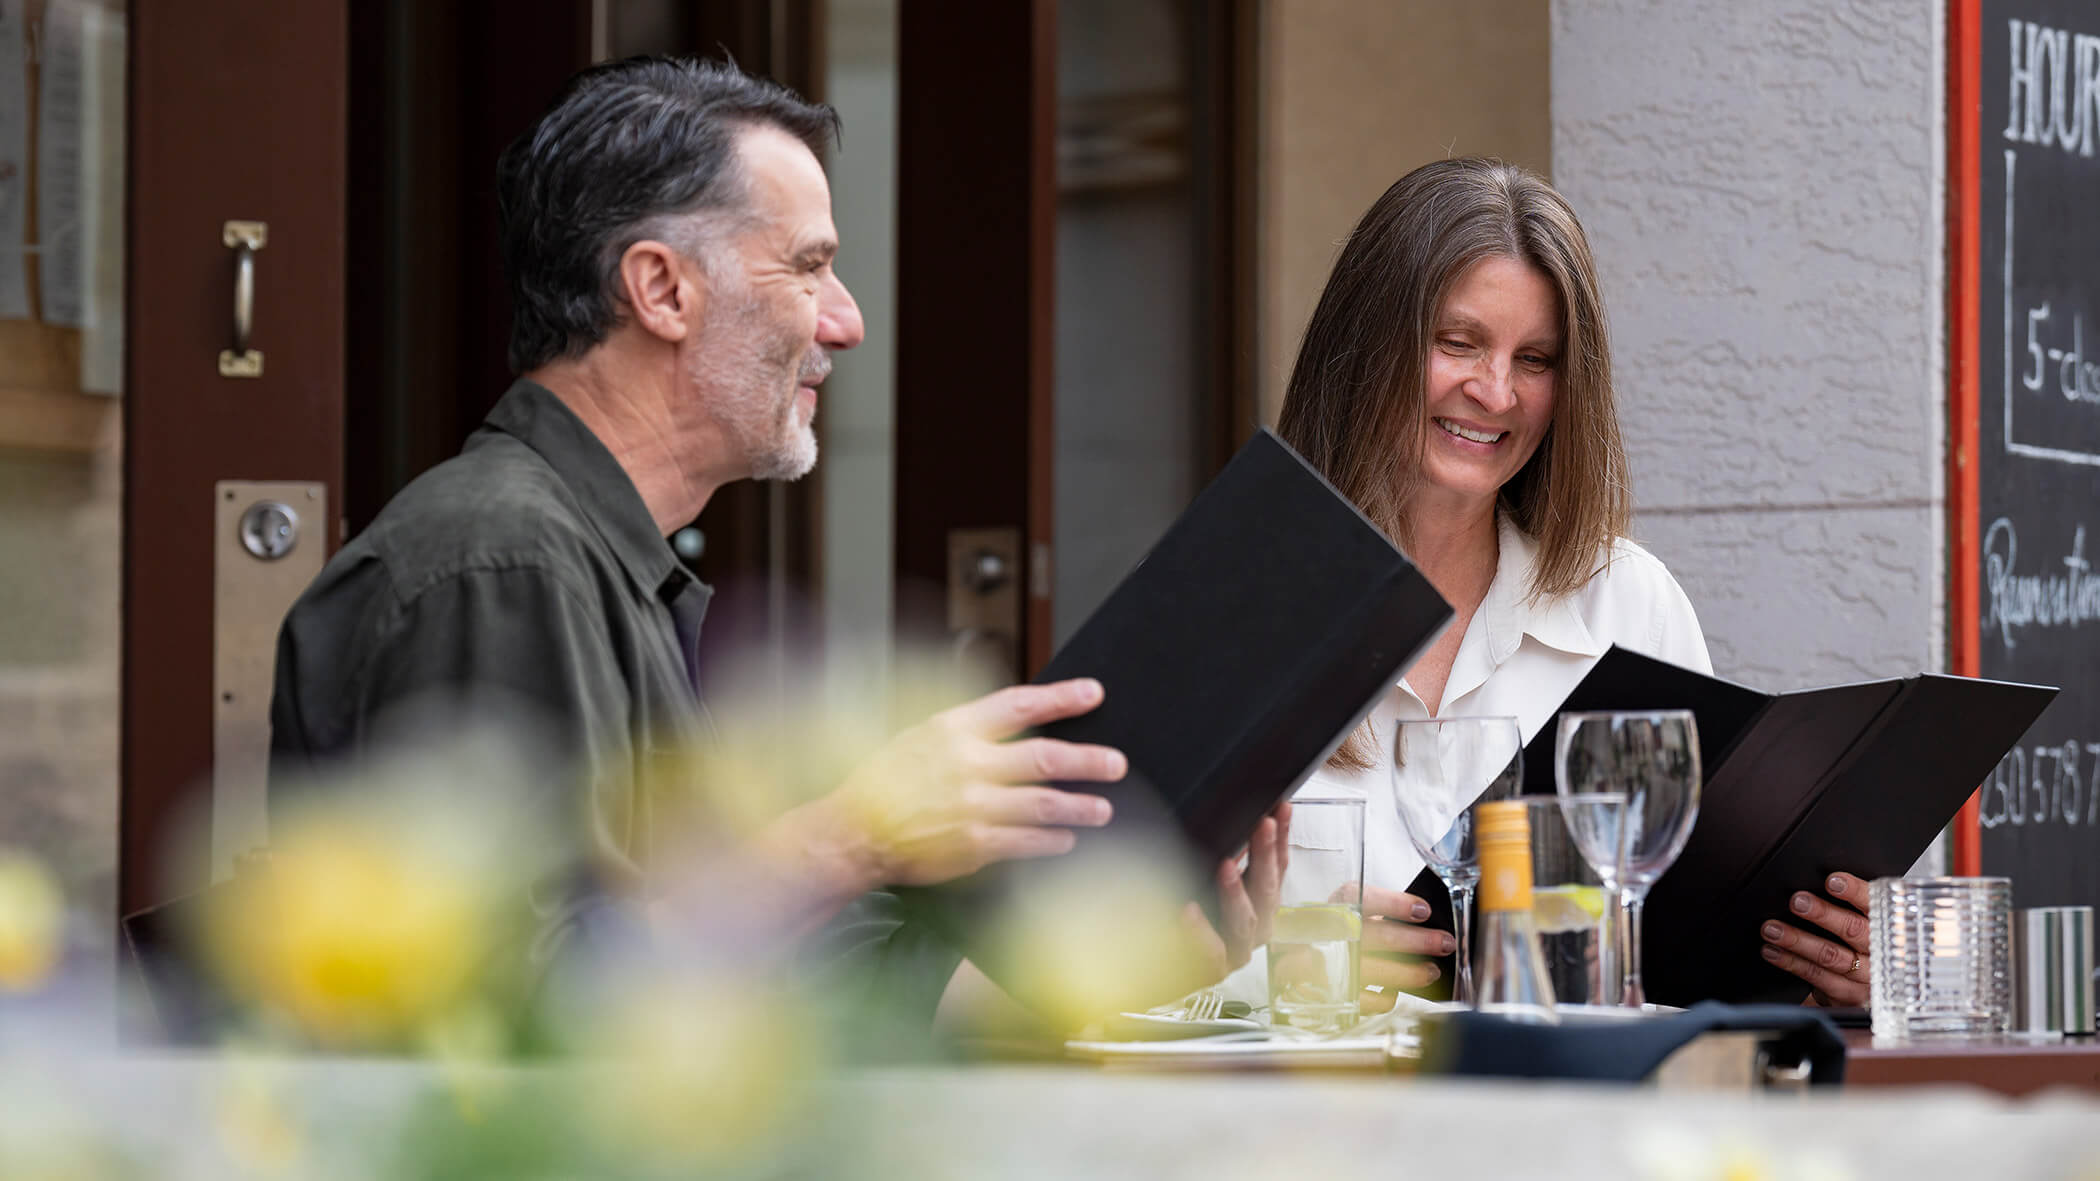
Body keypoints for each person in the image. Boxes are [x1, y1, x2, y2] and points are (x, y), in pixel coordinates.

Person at [268, 56, 1280, 1034]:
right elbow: (526, 1016)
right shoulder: (502, 557)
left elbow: (769, 977)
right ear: (662, 289)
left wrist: (1131, 965)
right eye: (809, 267)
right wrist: (855, 832)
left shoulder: (603, 564)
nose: (847, 322)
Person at [1272, 158, 1870, 1010]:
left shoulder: (1629, 604)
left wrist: (1824, 969)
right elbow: (1111, 962)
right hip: (1316, 1098)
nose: (1495, 392)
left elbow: (1702, 954)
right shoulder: (1235, 616)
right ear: (1365, 345)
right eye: (1458, 342)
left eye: (1536, 358)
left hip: (1580, 1094)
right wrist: (1289, 974)